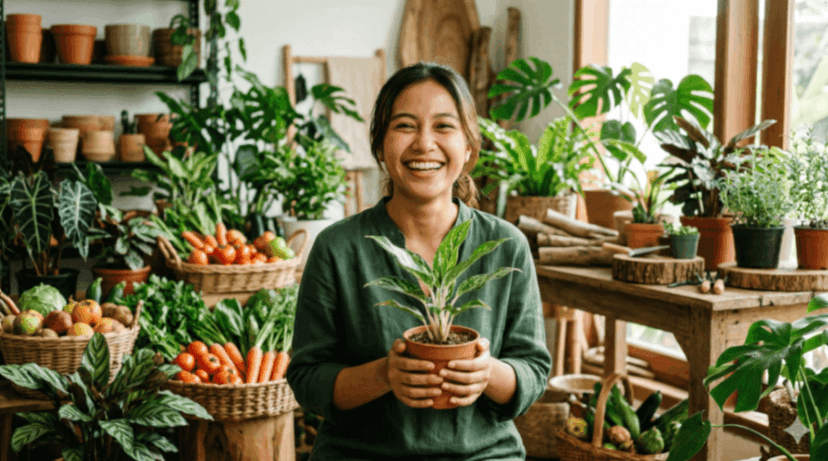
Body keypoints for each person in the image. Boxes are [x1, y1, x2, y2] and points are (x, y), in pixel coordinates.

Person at [286, 61, 552, 460]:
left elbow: (532, 369)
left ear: (468, 147)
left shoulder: (504, 245)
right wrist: (384, 374)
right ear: (380, 145)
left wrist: (487, 374)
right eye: (405, 126)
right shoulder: (337, 247)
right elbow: (308, 379)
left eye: (443, 126)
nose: (424, 144)